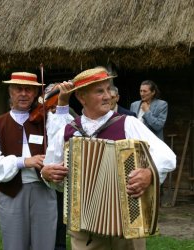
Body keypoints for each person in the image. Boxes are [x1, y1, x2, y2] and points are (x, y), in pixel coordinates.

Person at [41, 67, 176, 250]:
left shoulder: (128, 124)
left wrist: (149, 173)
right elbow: (51, 170)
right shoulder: (68, 131)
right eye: (99, 91)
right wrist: (47, 174)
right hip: (84, 227)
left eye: (108, 89)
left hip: (128, 222)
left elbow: (167, 156)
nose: (107, 96)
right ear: (82, 97)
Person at [0, 72, 73, 250]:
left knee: (45, 244)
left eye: (29, 89)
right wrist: (23, 161)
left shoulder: (48, 119)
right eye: (18, 89)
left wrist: (62, 104)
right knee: (14, 244)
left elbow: (62, 142)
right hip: (12, 192)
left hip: (44, 190)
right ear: (10, 92)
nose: (23, 93)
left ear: (35, 93)